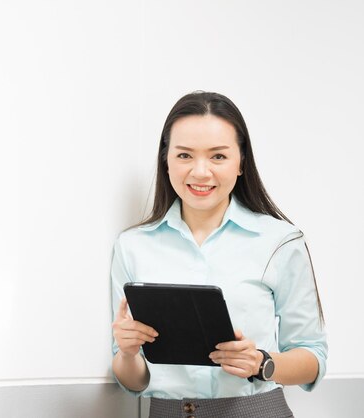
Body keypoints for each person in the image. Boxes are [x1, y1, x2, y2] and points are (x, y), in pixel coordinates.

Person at [110, 91, 327, 417]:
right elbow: (133, 382)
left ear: (241, 163)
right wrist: (127, 353)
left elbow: (313, 357)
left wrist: (262, 362)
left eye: (218, 157)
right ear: (166, 160)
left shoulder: (280, 241)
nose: (200, 172)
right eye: (184, 156)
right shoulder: (132, 246)